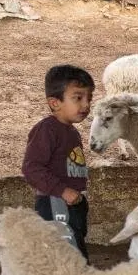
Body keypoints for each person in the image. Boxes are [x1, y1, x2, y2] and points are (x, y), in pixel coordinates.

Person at [23, 65, 94, 258]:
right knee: (67, 254)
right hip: (55, 202)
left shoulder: (71, 131)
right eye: (78, 98)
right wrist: (62, 191)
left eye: (89, 98)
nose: (86, 105)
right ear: (55, 102)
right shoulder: (47, 130)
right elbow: (32, 168)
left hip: (73, 201)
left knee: (74, 246)